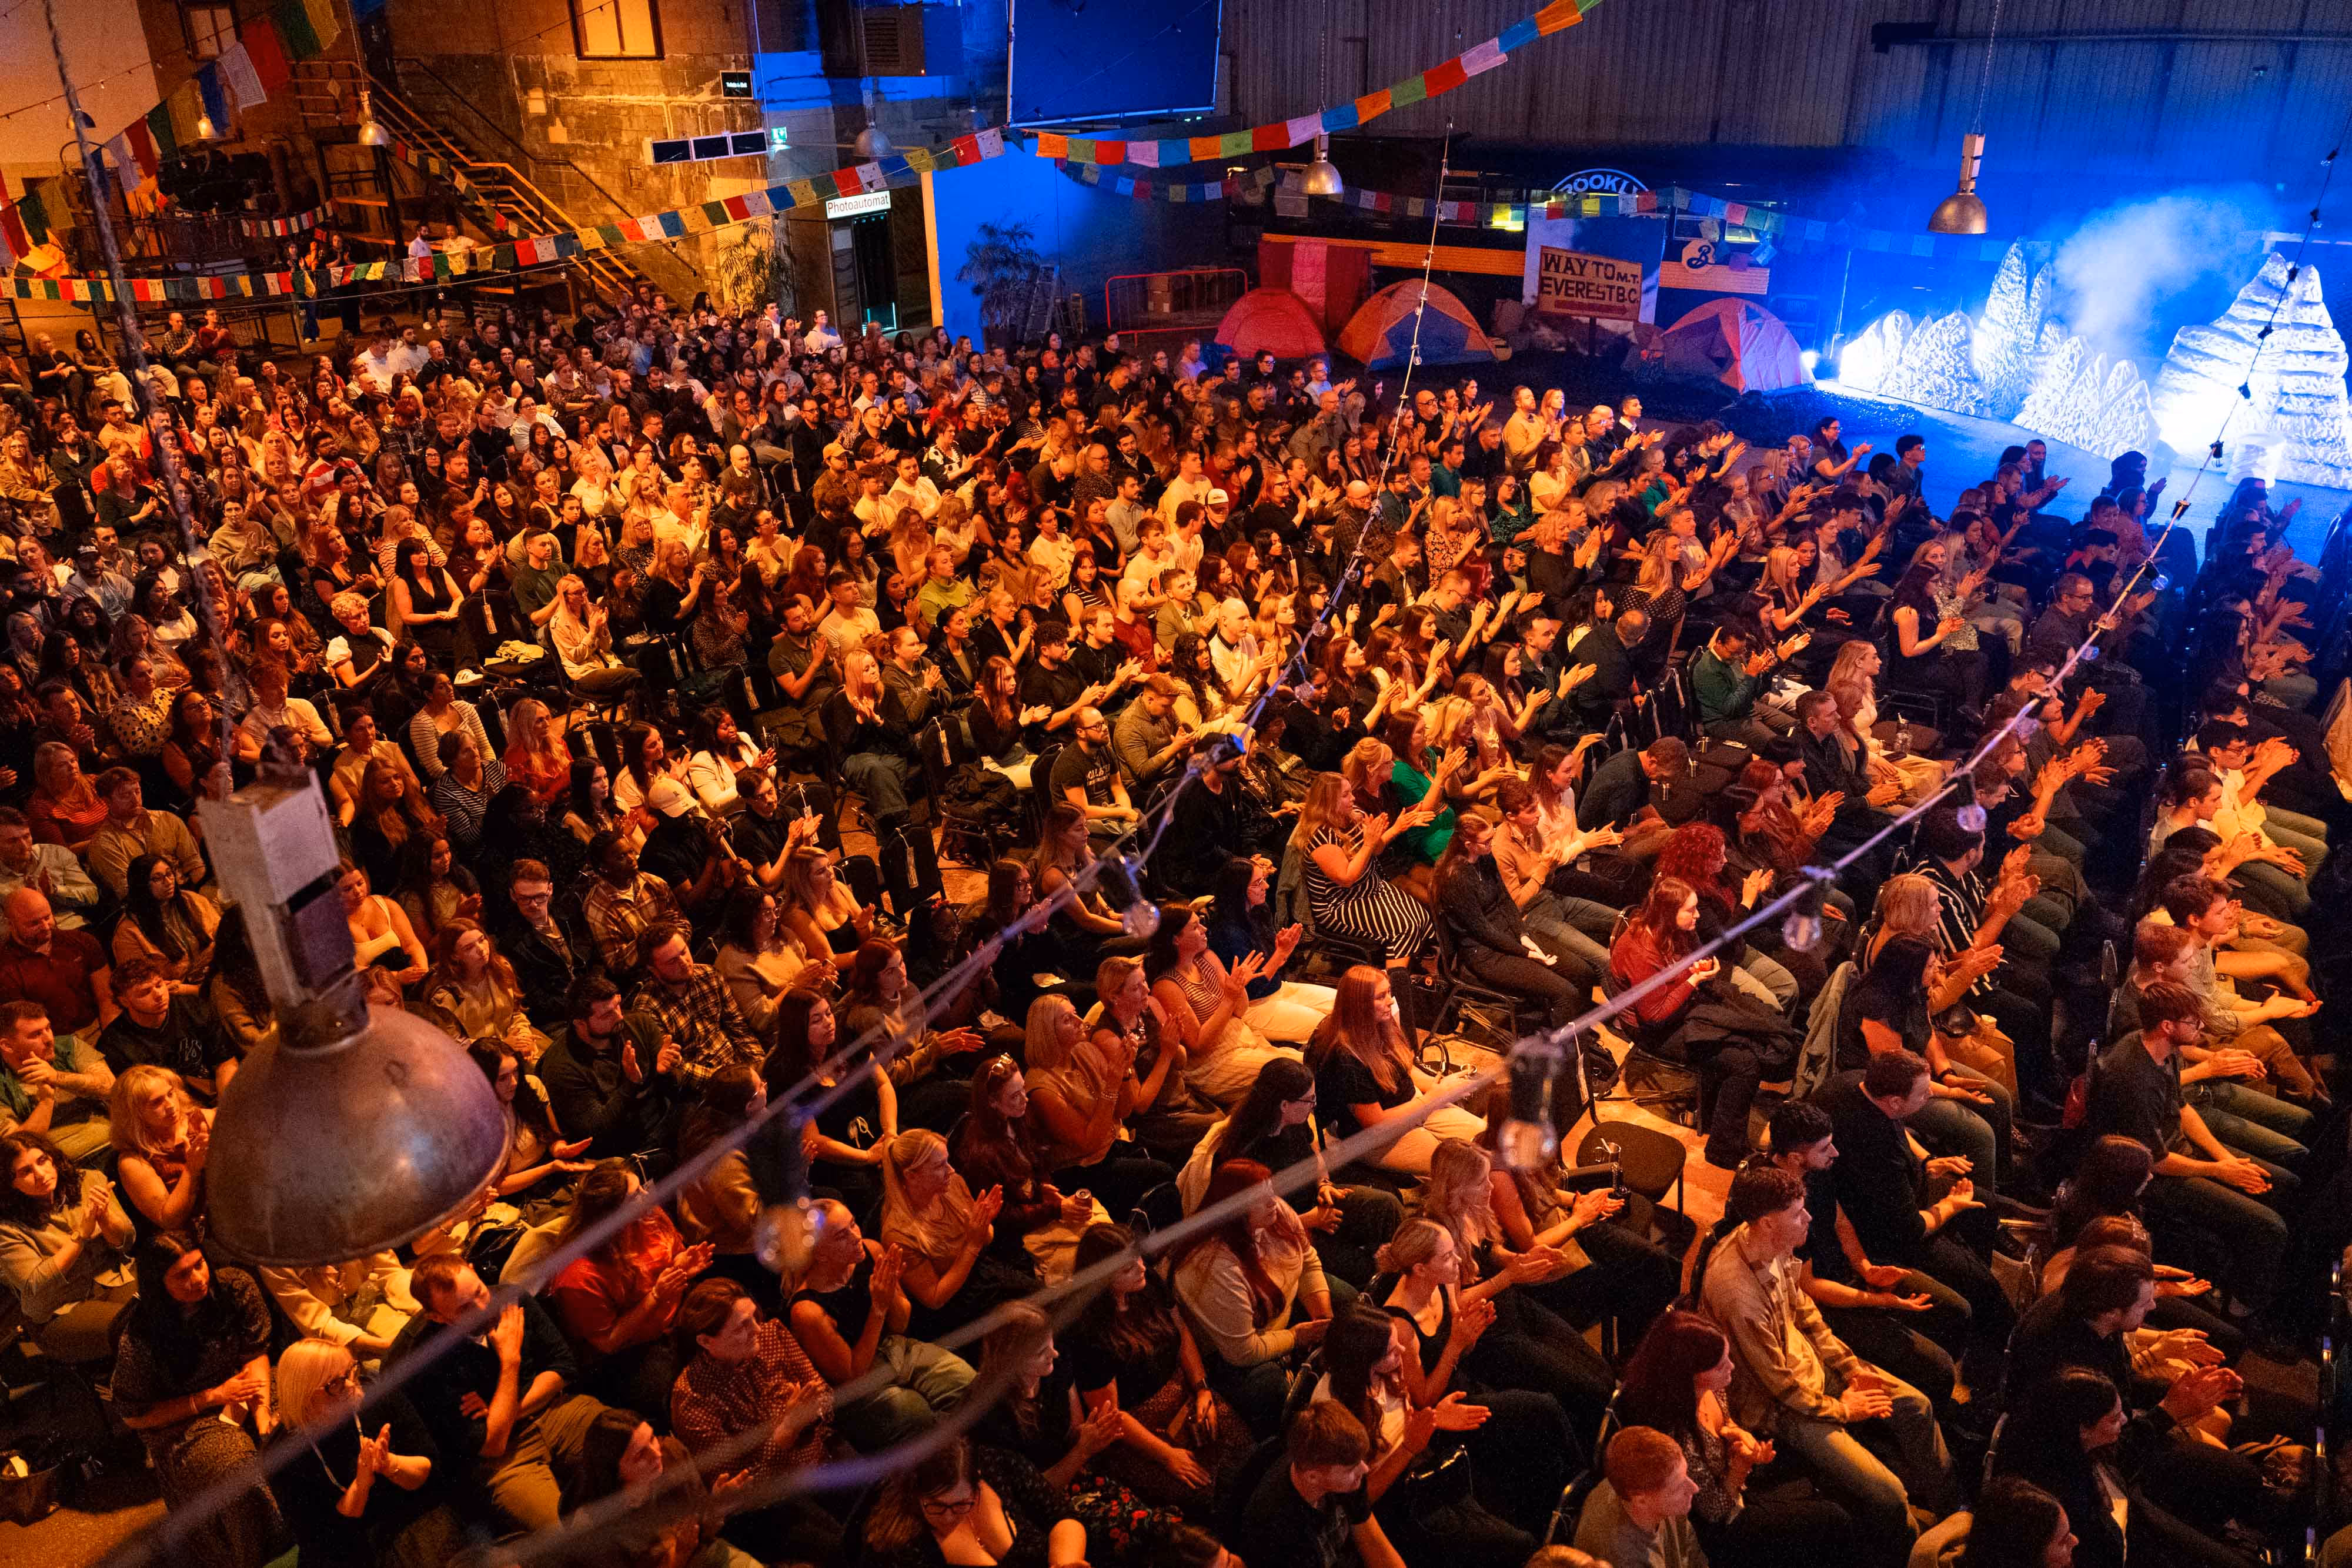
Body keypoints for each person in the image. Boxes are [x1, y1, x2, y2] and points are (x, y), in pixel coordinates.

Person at [1698, 1163, 1957, 1544]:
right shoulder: (1737, 1296)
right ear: (1767, 1223)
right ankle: (1916, 1548)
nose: (1809, 1217)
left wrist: (1849, 1366)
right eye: (1799, 1213)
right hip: (1781, 1408)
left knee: (1916, 1406)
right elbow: (1783, 1389)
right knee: (1889, 1494)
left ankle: (1956, 1512)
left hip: (1811, 1371)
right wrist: (1846, 1409)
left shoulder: (1773, 1242)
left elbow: (1803, 1308)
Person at [388, 1253, 615, 1534]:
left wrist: (503, 1412)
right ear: (437, 1317)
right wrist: (511, 1360)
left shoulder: (512, 1298)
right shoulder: (426, 1362)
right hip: (506, 1460)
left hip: (559, 1412)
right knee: (566, 1534)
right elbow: (492, 1443)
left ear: (474, 1270)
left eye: (480, 1292)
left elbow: (564, 1368)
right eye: (465, 1309)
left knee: (636, 1447)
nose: (483, 1307)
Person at [1616, 1308, 1854, 1568]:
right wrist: (1741, 1467)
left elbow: (1727, 1421)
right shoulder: (1677, 1436)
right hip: (1722, 1528)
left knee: (1824, 1475)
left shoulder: (1710, 1389)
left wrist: (1736, 1433)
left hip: (1737, 1481)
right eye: (1720, 1365)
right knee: (1834, 1519)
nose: (1731, 1366)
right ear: (1688, 1374)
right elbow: (1713, 1512)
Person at [111, 1233, 285, 1568]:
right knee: (236, 1468)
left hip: (244, 1385)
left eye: (199, 1265)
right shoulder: (142, 1335)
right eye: (182, 1275)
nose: (198, 1279)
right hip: (183, 1419)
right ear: (158, 1284)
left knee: (305, 1413)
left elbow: (255, 1353)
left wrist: (263, 1415)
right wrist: (210, 1398)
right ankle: (264, 1556)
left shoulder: (234, 1287)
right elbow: (134, 1415)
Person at [784, 1196, 976, 1450]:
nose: (855, 1236)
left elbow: (900, 1326)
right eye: (842, 1235)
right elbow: (853, 1375)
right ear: (819, 1254)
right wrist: (878, 1308)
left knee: (969, 1384)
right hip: (858, 1388)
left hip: (896, 1347)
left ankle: (962, 1451)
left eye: (854, 1224)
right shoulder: (807, 1309)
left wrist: (892, 1297)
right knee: (916, 1414)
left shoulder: (872, 1251)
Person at [271, 1338, 468, 1568]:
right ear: (304, 1397)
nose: (352, 1386)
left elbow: (433, 1473)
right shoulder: (284, 1456)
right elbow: (320, 1542)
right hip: (346, 1552)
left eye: (351, 1372)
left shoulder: (377, 1394)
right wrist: (361, 1485)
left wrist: (390, 1464)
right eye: (335, 1384)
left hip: (411, 1519)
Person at [1171, 1157, 1335, 1430]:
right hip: (1233, 1351)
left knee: (1346, 1306)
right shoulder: (1216, 1264)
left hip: (1283, 1308)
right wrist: (1297, 1337)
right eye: (1262, 1198)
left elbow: (1308, 1261)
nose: (1274, 1201)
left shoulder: (1275, 1212)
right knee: (1274, 1391)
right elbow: (1242, 1351)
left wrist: (1323, 1316)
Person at [1305, 965, 1485, 1175]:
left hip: (1414, 1106)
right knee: (1462, 1166)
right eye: (1381, 996)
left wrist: (1442, 1087)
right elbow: (1376, 1124)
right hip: (1375, 1137)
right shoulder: (1345, 1059)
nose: (1390, 1000)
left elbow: (1406, 1068)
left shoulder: (1384, 1023)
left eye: (1389, 992)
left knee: (1487, 1140)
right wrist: (1430, 1100)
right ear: (1359, 1005)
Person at [0, 1126, 135, 1360]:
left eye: (42, 1161)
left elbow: (127, 1242)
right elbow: (35, 1283)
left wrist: (106, 1219)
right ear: (11, 1183)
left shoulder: (88, 1180)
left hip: (113, 1278)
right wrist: (80, 1237)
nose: (41, 1174)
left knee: (172, 1303)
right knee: (137, 1325)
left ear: (52, 1157)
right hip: (61, 1310)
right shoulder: (7, 1227)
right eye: (26, 1171)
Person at [859, 1433, 1090, 1568]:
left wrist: (1063, 1564)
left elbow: (1061, 1516)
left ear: (978, 1485)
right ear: (916, 1494)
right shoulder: (900, 1547)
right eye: (936, 1506)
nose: (949, 1517)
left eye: (961, 1504)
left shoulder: (999, 1467)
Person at [1238, 1400, 1410, 1568]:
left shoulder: (1349, 1471)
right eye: (1351, 1469)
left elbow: (1374, 1544)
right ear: (1313, 1477)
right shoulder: (1275, 1531)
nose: (1364, 1470)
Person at [1573, 1425, 1710, 1568]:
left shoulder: (1638, 1481)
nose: (1694, 1488)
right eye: (1677, 1488)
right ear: (1641, 1501)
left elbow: (1691, 1549)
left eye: (1686, 1474)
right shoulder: (1622, 1558)